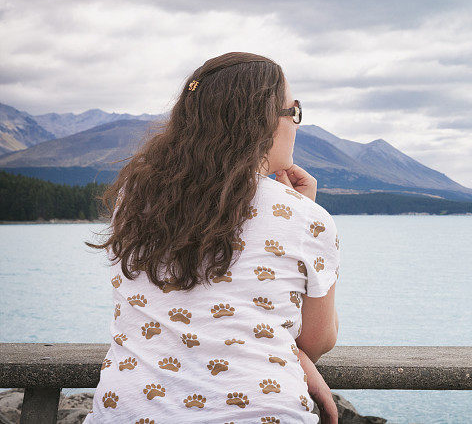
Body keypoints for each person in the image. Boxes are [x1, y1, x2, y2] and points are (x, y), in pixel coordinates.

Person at [83, 52, 341, 423]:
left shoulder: (134, 198)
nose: (296, 124)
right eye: (293, 110)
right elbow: (318, 340)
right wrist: (303, 215)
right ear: (263, 121)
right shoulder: (307, 219)